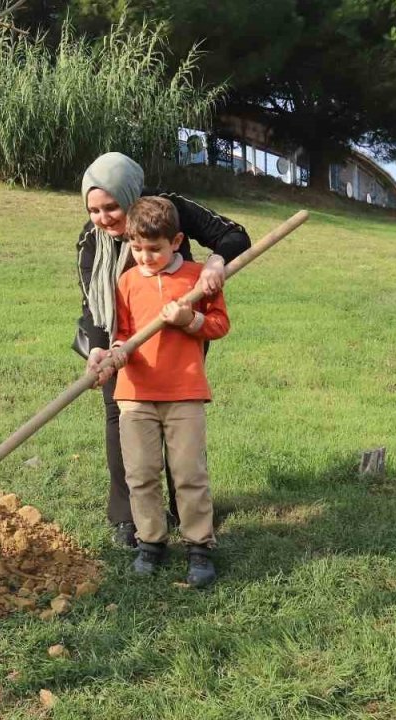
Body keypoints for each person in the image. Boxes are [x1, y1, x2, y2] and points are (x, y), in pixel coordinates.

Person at [75, 152, 249, 549]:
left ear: (130, 194)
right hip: (122, 339)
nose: (103, 218)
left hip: (179, 336)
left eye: (112, 206)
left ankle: (186, 510)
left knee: (176, 422)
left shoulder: (168, 210)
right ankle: (128, 517)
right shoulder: (90, 240)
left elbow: (234, 234)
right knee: (120, 417)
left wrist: (215, 263)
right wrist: (99, 353)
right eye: (94, 209)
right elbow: (92, 304)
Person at [87, 196, 229, 586]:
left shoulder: (198, 280)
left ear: (176, 240)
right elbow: (124, 333)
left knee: (188, 473)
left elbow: (218, 325)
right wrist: (116, 352)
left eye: (155, 249)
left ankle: (199, 545)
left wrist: (190, 318)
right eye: (137, 248)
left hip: (184, 392)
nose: (146, 257)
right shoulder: (127, 281)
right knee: (141, 473)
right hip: (135, 395)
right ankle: (151, 541)